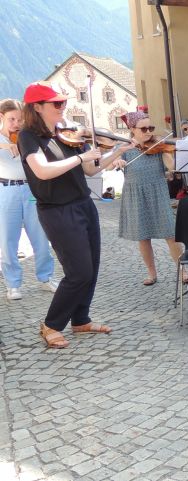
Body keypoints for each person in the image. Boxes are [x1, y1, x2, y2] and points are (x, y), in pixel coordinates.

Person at [17, 81, 129, 348]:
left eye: (63, 102)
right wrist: (80, 158)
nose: (62, 107)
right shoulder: (28, 137)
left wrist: (117, 151)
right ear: (37, 107)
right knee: (78, 271)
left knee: (91, 266)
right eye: (56, 103)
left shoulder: (66, 132)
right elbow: (42, 171)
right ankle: (51, 325)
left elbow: (91, 171)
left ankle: (80, 319)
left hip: (83, 204)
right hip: (57, 210)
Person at [118, 111, 188, 286]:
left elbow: (171, 168)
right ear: (132, 129)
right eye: (144, 128)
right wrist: (116, 161)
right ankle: (152, 273)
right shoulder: (124, 147)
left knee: (170, 234)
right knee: (144, 237)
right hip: (135, 193)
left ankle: (182, 271)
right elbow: (114, 160)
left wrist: (167, 153)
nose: (149, 132)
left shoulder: (158, 146)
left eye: (151, 127)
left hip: (157, 191)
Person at [0, 98, 56, 300]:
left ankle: (45, 277)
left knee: (40, 235)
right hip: (6, 190)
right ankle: (13, 284)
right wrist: (4, 146)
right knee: (8, 240)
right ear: (2, 118)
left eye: (19, 119)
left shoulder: (26, 137)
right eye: (11, 119)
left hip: (31, 191)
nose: (16, 124)